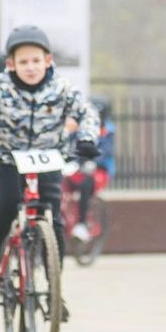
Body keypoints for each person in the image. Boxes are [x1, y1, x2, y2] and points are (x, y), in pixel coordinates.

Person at [0, 25, 101, 301]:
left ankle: (53, 279)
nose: (30, 67)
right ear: (11, 64)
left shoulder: (61, 89)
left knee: (53, 215)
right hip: (7, 157)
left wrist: (87, 139)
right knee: (6, 206)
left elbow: (87, 113)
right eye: (23, 62)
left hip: (48, 157)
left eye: (36, 61)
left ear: (48, 61)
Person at [65, 95, 116, 242]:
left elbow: (106, 151)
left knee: (86, 184)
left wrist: (93, 162)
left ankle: (81, 224)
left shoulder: (108, 131)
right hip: (77, 168)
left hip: (100, 170)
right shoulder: (78, 128)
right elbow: (71, 144)